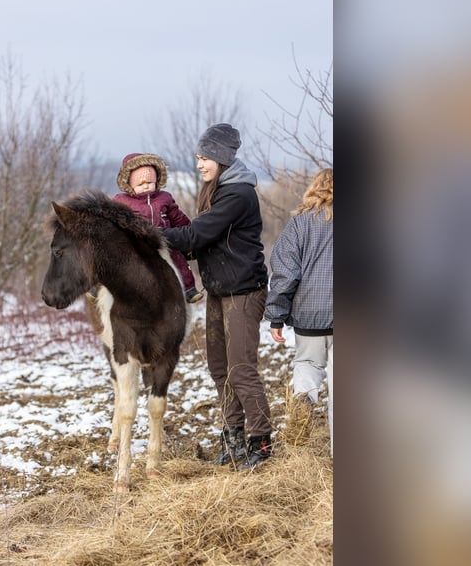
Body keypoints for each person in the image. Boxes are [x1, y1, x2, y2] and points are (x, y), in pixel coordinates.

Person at [160, 123, 272, 469]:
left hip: (242, 291)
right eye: (198, 157)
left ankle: (261, 441)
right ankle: (233, 437)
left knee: (241, 369)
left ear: (221, 158)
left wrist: (150, 234)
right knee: (219, 368)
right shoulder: (215, 189)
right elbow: (204, 242)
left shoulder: (237, 193)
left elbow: (198, 234)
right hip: (219, 290)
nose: (199, 164)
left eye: (204, 157)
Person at [264, 168, 333, 455]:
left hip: (310, 314)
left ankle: (304, 401)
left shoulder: (300, 224)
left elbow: (284, 273)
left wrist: (276, 315)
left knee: (308, 364)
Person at [114, 152, 203, 303]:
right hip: (136, 243)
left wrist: (189, 230)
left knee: (178, 259)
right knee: (117, 261)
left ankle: (188, 289)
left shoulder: (164, 198)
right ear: (129, 185)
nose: (145, 186)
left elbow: (177, 217)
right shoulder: (123, 201)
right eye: (140, 184)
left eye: (149, 182)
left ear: (157, 180)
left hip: (164, 240)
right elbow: (113, 217)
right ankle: (101, 288)